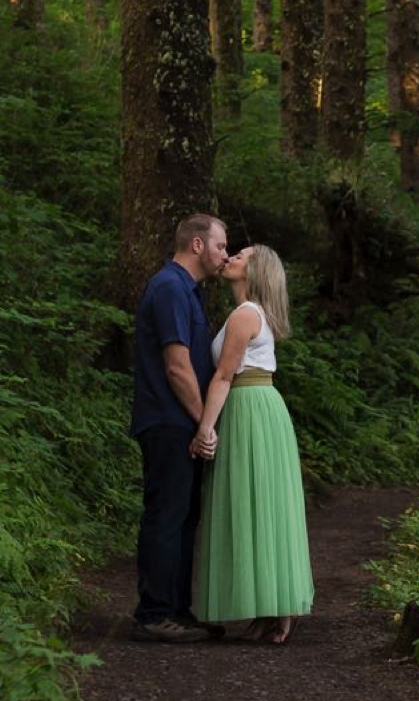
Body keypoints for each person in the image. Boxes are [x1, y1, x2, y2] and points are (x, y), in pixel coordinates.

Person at [192, 245, 314, 644]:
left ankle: (276, 605)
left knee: (256, 502)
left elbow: (224, 376)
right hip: (255, 408)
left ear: (255, 271)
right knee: (260, 504)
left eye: (241, 256)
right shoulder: (250, 313)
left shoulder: (246, 314)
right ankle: (269, 608)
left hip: (250, 407)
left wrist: (204, 428)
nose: (230, 257)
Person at [128, 213, 230, 643]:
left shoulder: (188, 291)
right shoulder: (169, 287)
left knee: (185, 518)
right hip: (168, 421)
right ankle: (153, 614)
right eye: (221, 246)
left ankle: (175, 609)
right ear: (197, 245)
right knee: (167, 516)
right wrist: (203, 422)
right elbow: (177, 366)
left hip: (182, 421)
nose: (225, 255)